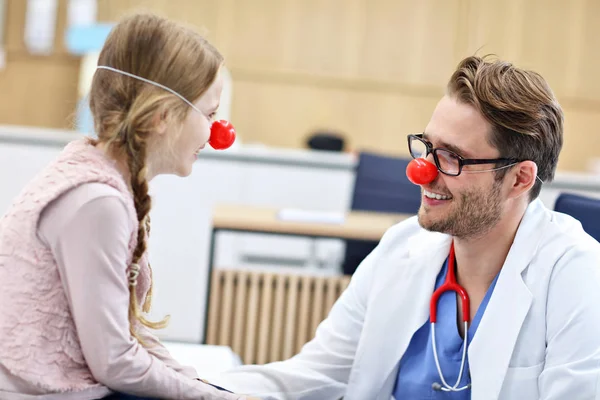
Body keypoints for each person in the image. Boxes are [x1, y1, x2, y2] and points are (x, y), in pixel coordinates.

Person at [208, 55, 600, 399]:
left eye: (452, 158)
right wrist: (188, 386)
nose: (421, 172)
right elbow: (315, 377)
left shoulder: (577, 275)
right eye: (427, 147)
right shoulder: (400, 249)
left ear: (519, 178)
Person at [0, 12, 252, 400]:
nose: (217, 132)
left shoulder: (97, 174)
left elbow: (125, 333)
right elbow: (115, 361)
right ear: (164, 116)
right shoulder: (97, 202)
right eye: (210, 115)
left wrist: (203, 386)